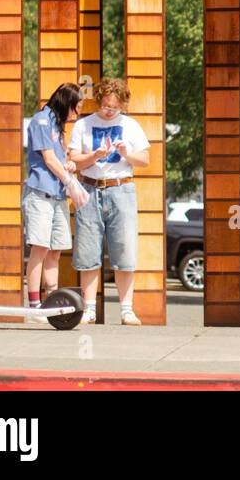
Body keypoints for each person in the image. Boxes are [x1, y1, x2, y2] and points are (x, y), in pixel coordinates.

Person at [69, 78, 150, 326]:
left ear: (122, 105)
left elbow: (145, 160)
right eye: (105, 105)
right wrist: (95, 155)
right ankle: (89, 309)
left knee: (124, 249)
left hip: (121, 189)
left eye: (114, 107)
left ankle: (127, 309)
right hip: (89, 188)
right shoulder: (83, 125)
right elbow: (73, 161)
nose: (109, 110)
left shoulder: (131, 125)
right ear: (99, 101)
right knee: (87, 251)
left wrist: (126, 153)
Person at [23, 83, 82, 315]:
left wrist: (69, 165)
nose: (76, 113)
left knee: (56, 249)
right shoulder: (41, 121)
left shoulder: (57, 125)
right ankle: (34, 304)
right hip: (40, 194)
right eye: (76, 107)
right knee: (40, 247)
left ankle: (52, 300)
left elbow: (58, 159)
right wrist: (69, 180)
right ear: (66, 103)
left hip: (57, 195)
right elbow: (48, 159)